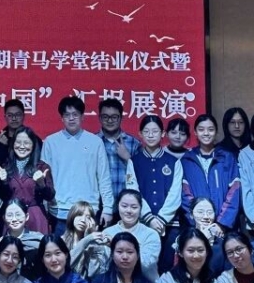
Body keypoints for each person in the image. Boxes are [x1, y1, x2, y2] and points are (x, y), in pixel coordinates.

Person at [41, 96, 115, 234]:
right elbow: (45, 179)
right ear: (61, 118)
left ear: (82, 117)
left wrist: (108, 208)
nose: (71, 118)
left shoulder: (95, 142)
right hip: (59, 211)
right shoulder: (50, 142)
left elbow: (104, 177)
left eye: (75, 114)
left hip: (88, 210)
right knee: (60, 248)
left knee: (88, 248)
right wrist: (44, 207)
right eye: (67, 115)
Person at [71, 189, 160, 281]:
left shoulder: (151, 234)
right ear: (118, 206)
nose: (129, 210)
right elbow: (98, 271)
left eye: (134, 207)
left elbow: (146, 264)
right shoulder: (107, 232)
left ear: (140, 209)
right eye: (124, 206)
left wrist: (115, 245)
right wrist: (93, 246)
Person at [130, 115, 182, 266]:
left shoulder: (173, 162)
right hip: (142, 223)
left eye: (155, 131)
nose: (151, 135)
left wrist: (161, 219)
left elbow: (175, 194)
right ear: (140, 134)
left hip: (170, 225)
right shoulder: (134, 161)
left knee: (168, 267)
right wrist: (149, 218)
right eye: (146, 131)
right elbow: (133, 193)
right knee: (143, 266)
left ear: (163, 133)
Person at [180, 114, 241, 231]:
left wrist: (221, 223)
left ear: (216, 132)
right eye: (201, 129)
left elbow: (234, 192)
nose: (206, 133)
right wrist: (198, 221)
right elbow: (185, 195)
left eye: (210, 129)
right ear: (195, 132)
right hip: (196, 227)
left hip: (223, 228)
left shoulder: (227, 158)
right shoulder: (187, 160)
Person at [0, 127, 52, 234]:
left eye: (26, 143)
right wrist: (4, 182)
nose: (22, 146)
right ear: (13, 144)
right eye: (18, 142)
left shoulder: (42, 167)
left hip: (35, 217)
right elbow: (4, 196)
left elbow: (50, 196)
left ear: (33, 145)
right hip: (13, 217)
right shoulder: (7, 166)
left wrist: (42, 184)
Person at [95, 98, 141, 198]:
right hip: (98, 202)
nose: (110, 120)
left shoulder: (134, 143)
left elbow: (141, 175)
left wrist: (128, 158)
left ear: (121, 118)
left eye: (114, 117)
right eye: (105, 117)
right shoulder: (92, 142)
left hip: (126, 202)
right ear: (100, 118)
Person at [0, 98, 40, 168]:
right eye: (10, 115)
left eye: (17, 115)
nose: (14, 118)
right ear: (5, 117)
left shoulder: (34, 139)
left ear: (23, 116)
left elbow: (39, 163)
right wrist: (3, 147)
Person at [59, 200, 99, 278]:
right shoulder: (61, 241)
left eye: (88, 217)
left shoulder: (93, 243)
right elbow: (65, 266)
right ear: (72, 216)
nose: (83, 220)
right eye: (79, 215)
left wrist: (92, 241)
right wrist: (86, 240)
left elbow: (92, 272)